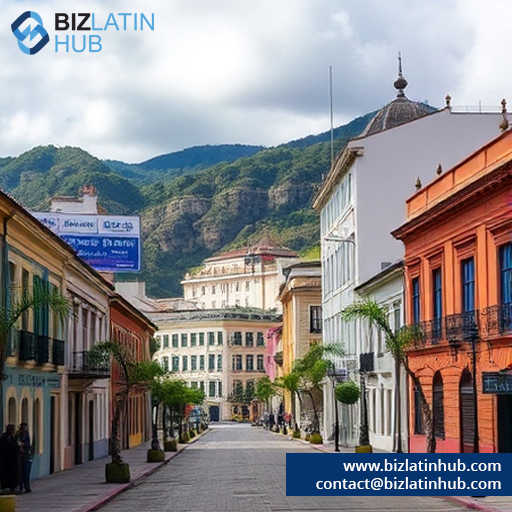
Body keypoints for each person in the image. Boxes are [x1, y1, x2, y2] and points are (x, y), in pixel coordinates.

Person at [0, 424, 20, 493]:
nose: (12, 430)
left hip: (14, 459)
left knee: (14, 473)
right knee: (5, 474)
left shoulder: (15, 437)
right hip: (6, 459)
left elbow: (17, 447)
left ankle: (14, 487)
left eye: (12, 429)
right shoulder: (4, 437)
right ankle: (6, 487)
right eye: (10, 429)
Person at [17, 423, 32, 493]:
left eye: (24, 428)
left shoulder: (26, 436)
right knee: (20, 473)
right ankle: (21, 487)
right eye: (22, 428)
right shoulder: (18, 436)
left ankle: (26, 487)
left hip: (26, 456)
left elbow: (27, 445)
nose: (23, 430)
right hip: (20, 457)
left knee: (26, 473)